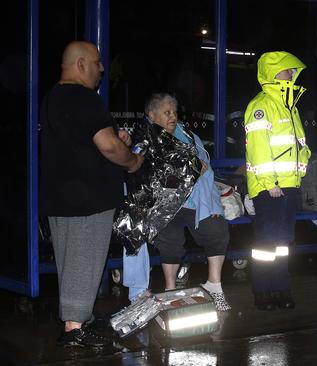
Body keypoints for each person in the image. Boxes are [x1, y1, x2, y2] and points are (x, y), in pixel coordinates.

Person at [39, 41, 144, 347]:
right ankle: (74, 328)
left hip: (62, 196)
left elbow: (88, 140)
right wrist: (133, 161)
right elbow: (109, 147)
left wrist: (115, 137)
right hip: (88, 197)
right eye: (97, 62)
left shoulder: (53, 97)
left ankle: (76, 318)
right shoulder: (84, 97)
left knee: (70, 259)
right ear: (81, 64)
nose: (101, 68)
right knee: (85, 258)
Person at [141, 93, 231, 311]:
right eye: (167, 112)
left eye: (174, 111)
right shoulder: (144, 138)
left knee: (217, 228)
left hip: (193, 202)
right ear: (152, 116)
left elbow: (206, 172)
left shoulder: (188, 135)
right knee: (170, 237)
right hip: (162, 205)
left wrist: (214, 206)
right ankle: (171, 290)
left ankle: (214, 286)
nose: (173, 116)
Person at [244, 51, 311, 310]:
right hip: (270, 188)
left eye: (293, 71)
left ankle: (281, 289)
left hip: (288, 185)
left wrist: (299, 172)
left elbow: (300, 145)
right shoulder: (261, 105)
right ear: (273, 74)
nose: (292, 74)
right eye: (287, 70)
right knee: (265, 244)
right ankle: (263, 292)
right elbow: (258, 149)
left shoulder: (289, 105)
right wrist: (271, 182)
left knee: (283, 243)